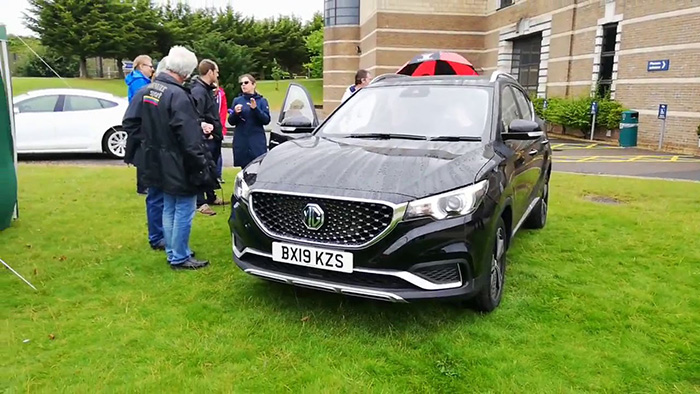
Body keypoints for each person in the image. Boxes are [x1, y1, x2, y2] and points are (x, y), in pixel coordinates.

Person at [123, 46, 217, 270]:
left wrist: (151, 142)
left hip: (157, 158)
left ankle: (173, 250)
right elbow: (189, 139)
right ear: (185, 72)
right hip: (177, 160)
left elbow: (131, 122)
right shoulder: (178, 95)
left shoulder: (149, 89)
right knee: (183, 206)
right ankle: (179, 256)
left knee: (169, 206)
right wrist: (201, 165)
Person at [123, 56, 170, 253]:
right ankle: (156, 236)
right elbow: (133, 119)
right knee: (155, 194)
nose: (151, 70)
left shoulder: (144, 85)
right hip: (149, 149)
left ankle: (161, 234)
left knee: (159, 193)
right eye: (150, 66)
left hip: (155, 147)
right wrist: (147, 138)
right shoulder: (141, 87)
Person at [190, 59, 224, 216]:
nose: (217, 75)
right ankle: (200, 202)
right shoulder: (198, 91)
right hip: (206, 137)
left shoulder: (207, 90)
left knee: (211, 168)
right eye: (216, 71)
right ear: (210, 72)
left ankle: (211, 196)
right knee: (202, 168)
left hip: (214, 135)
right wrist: (206, 132)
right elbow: (196, 115)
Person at [125, 55, 154, 195]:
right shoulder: (139, 82)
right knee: (143, 151)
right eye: (150, 66)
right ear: (141, 66)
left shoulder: (138, 80)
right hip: (142, 119)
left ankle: (144, 184)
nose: (152, 69)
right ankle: (143, 186)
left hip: (139, 118)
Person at [229, 74, 271, 169]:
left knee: (257, 169)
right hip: (242, 140)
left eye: (246, 82)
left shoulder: (262, 101)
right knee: (244, 170)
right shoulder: (237, 100)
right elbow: (231, 121)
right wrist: (235, 113)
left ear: (253, 84)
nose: (243, 85)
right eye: (241, 83)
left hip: (256, 140)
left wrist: (255, 109)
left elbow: (266, 120)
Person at [215, 85, 228, 184]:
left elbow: (223, 113)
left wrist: (221, 127)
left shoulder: (221, 95)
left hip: (218, 128)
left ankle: (218, 175)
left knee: (218, 153)